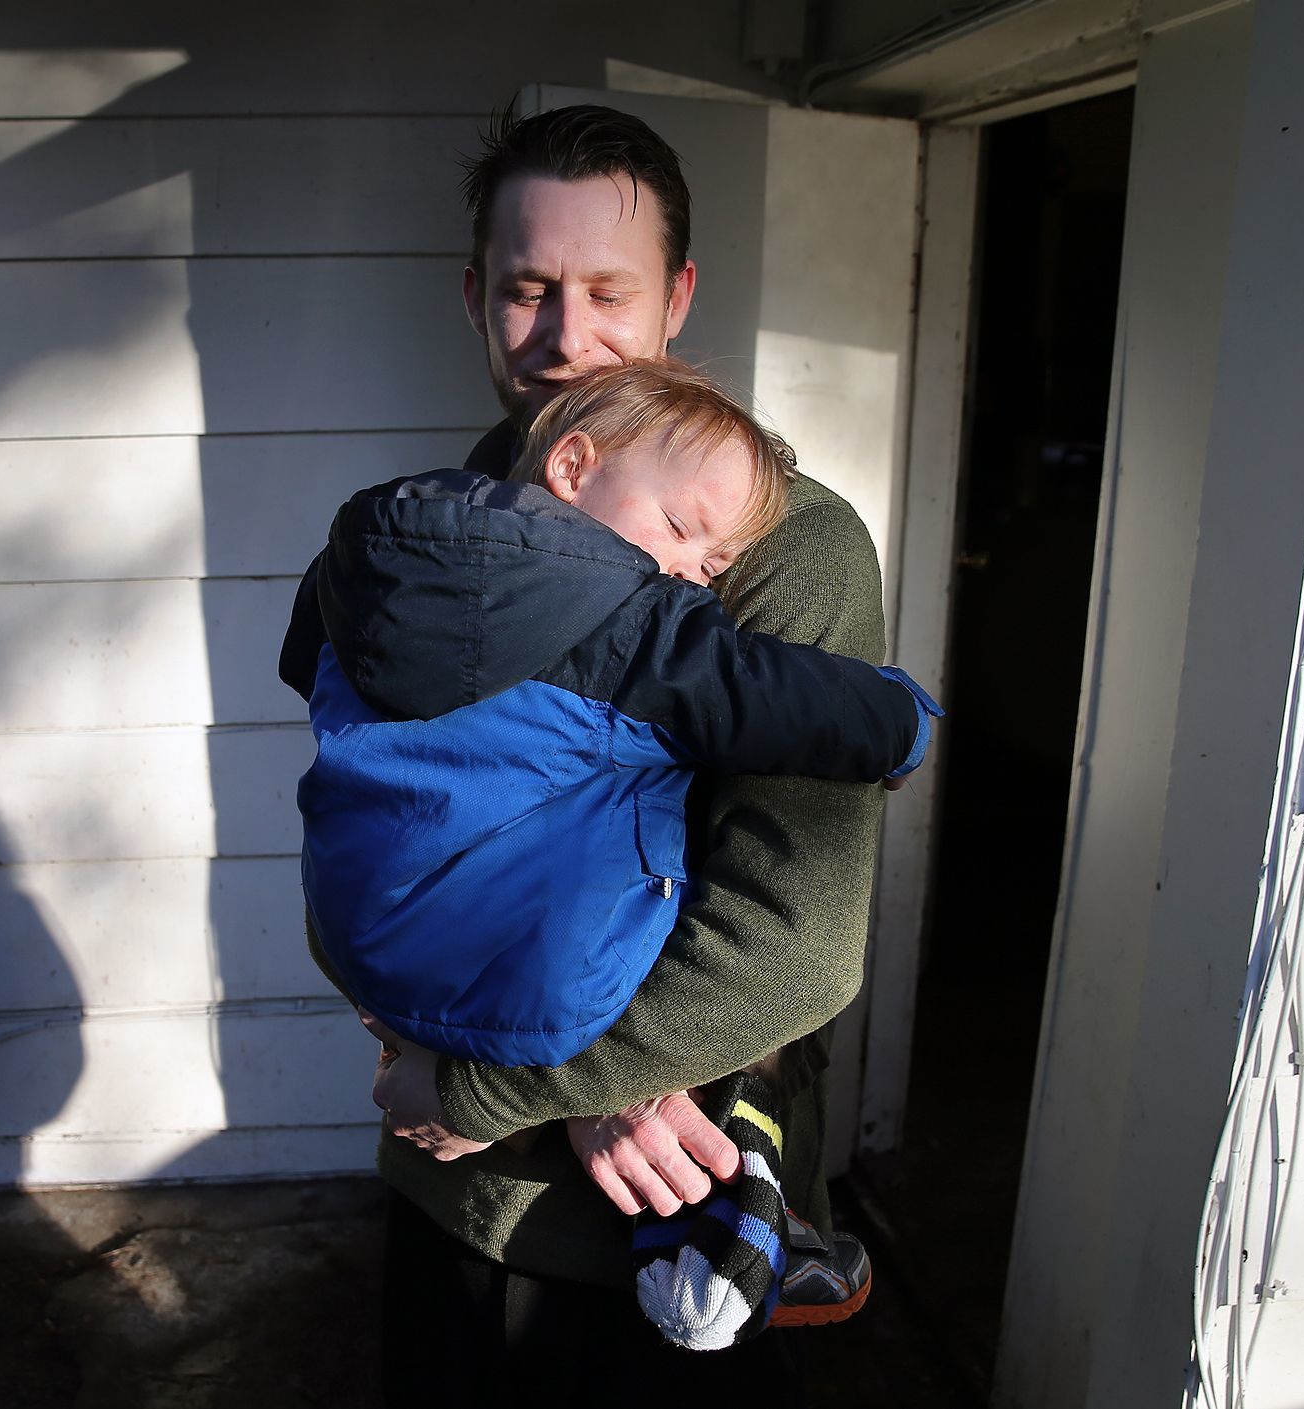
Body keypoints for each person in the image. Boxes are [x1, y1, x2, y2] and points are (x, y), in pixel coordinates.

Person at [335, 102, 898, 1401]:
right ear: (476, 295)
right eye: (530, 289)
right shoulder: (430, 539)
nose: (566, 336)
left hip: (673, 1214)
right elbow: (364, 832)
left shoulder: (786, 553)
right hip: (457, 1186)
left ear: (678, 298)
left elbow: (795, 937)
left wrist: (528, 1074)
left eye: (608, 291)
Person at [283, 358, 935, 1350]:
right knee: (638, 899)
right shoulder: (624, 621)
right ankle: (740, 1159)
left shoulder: (389, 543)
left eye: (714, 570)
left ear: (676, 292)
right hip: (535, 1020)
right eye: (679, 536)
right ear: (573, 467)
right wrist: (901, 722)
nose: (687, 575)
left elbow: (306, 660)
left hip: (364, 946)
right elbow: (770, 695)